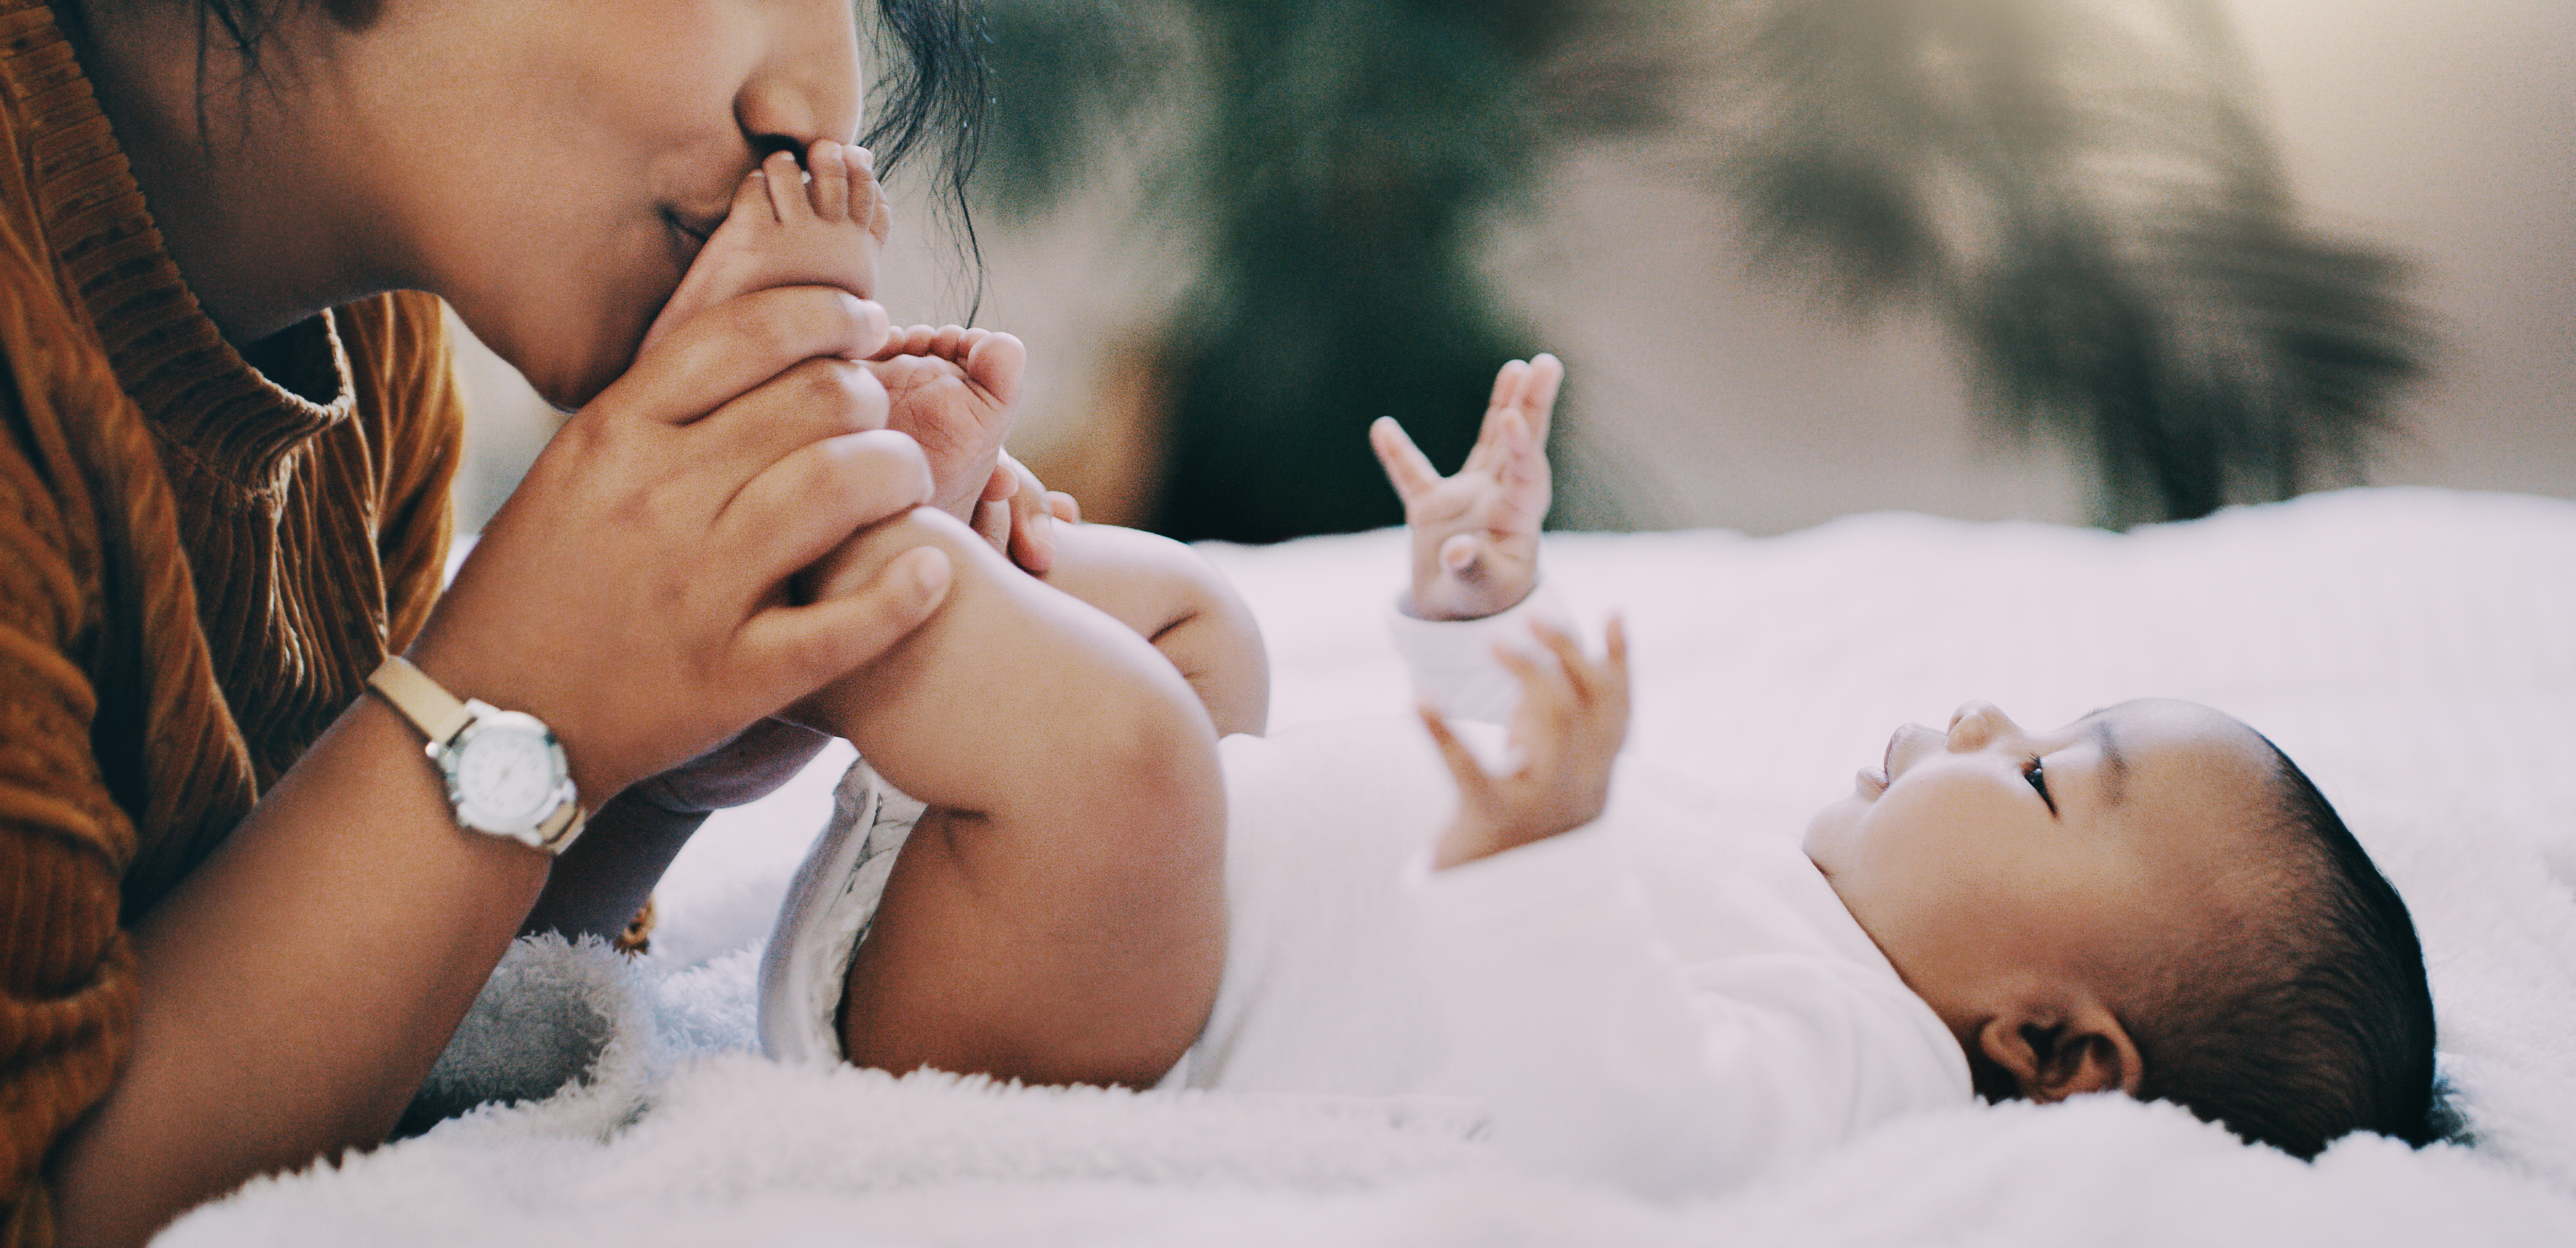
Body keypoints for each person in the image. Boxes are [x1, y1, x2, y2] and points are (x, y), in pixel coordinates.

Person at [0, 0, 1170, 1243]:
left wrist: (652, 744)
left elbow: (312, 1006)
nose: (824, 108)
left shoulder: (367, 352)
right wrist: (518, 693)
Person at [757, 351, 2441, 1195]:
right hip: (1060, 893)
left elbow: (1631, 1118)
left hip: (1025, 1011)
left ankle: (834, 557)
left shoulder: (1862, 1085)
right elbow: (1482, 797)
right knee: (1216, 644)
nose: (1989, 720)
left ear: (2055, 1049)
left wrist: (1547, 859)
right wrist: (1476, 617)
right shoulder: (1805, 916)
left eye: (2048, 780)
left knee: (1137, 756)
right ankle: (956, 575)